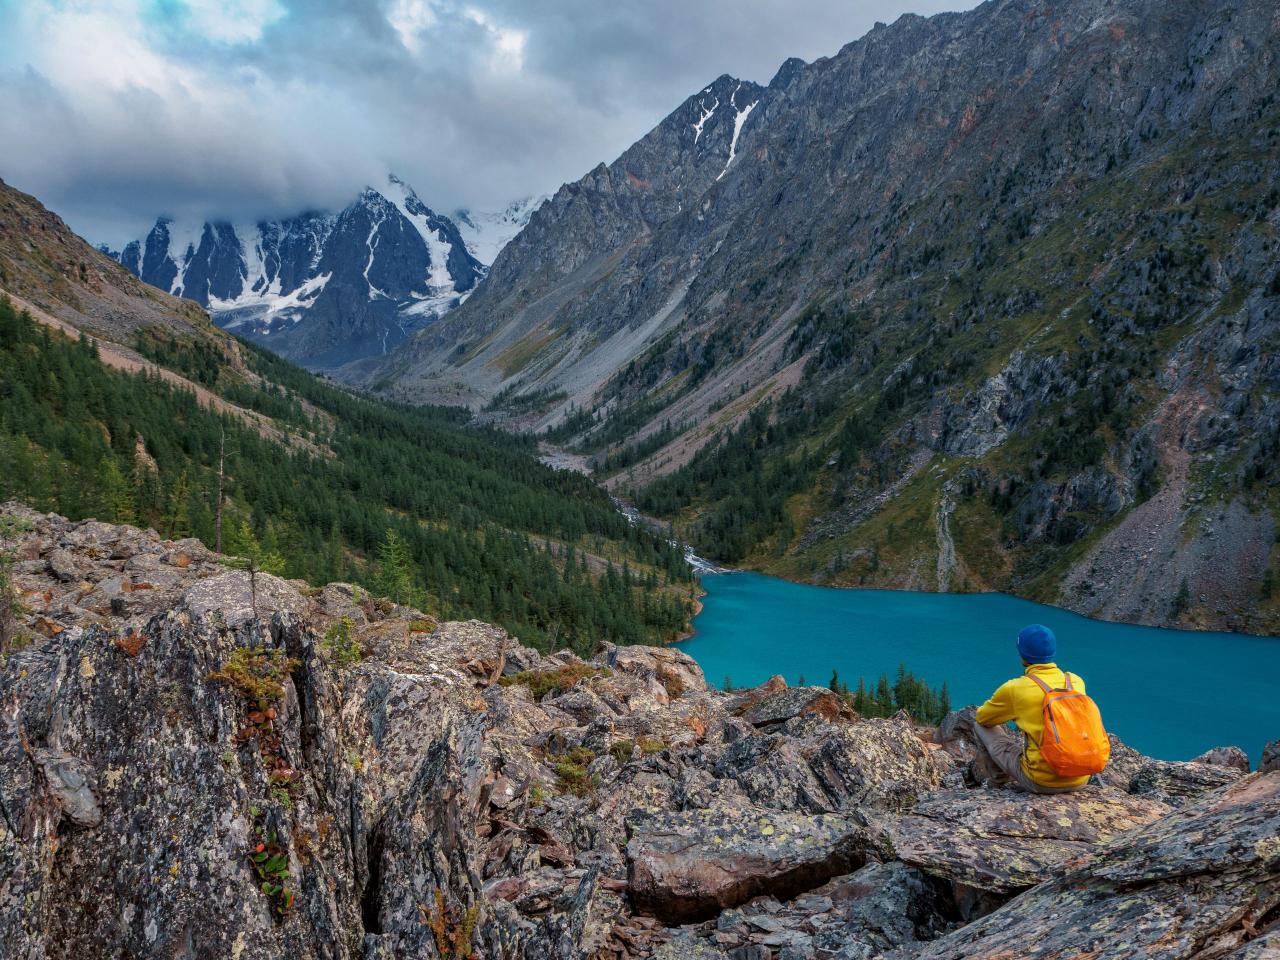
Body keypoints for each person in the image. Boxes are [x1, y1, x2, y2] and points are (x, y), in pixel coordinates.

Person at [947, 623, 1092, 794]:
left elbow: (983, 717)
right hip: (1081, 777)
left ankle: (998, 783)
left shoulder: (1016, 688)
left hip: (1040, 781)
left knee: (979, 726)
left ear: (1023, 655)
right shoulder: (1075, 681)